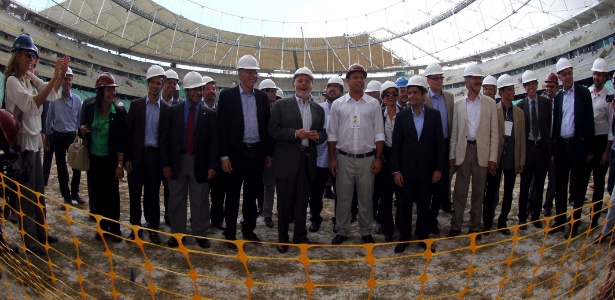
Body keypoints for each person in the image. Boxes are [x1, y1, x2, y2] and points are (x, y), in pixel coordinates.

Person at [4, 33, 66, 256]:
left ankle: (41, 231)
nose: (31, 60)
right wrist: (52, 79)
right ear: (17, 56)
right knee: (27, 195)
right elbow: (31, 105)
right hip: (21, 145)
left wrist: (58, 76)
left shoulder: (28, 78)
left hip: (33, 142)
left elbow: (53, 96)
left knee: (38, 191)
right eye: (28, 55)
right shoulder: (12, 81)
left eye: (33, 56)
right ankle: (30, 239)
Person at [268, 67, 326, 253]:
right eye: (300, 81)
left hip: (307, 160)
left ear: (311, 86)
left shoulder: (318, 109)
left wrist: (318, 137)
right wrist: (294, 133)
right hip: (286, 161)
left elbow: (324, 133)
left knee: (302, 201)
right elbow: (273, 130)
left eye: (307, 81)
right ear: (294, 85)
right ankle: (283, 238)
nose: (303, 84)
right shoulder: (281, 106)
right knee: (284, 202)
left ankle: (300, 236)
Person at [218, 55, 272, 250]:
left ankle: (248, 230)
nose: (253, 75)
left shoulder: (262, 98)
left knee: (251, 195)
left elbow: (266, 127)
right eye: (249, 72)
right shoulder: (227, 96)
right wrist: (224, 156)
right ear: (240, 74)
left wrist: (267, 153)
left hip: (255, 153)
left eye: (255, 72)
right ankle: (230, 233)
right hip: (235, 155)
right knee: (232, 195)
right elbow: (221, 129)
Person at [160, 71, 218, 249]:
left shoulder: (209, 115)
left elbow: (213, 144)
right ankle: (177, 234)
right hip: (177, 161)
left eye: (200, 89)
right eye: (194, 90)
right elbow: (164, 140)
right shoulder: (172, 112)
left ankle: (200, 233)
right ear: (186, 91)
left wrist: (212, 165)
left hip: (199, 162)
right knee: (176, 198)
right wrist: (165, 164)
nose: (199, 93)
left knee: (200, 198)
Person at [328, 64, 384, 245]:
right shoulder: (338, 104)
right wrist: (332, 158)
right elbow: (332, 134)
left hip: (367, 158)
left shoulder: (373, 104)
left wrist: (378, 157)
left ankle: (366, 231)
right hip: (344, 158)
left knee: (366, 197)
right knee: (343, 196)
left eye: (362, 77)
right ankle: (342, 230)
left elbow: (379, 133)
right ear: (348, 81)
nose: (360, 80)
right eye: (355, 77)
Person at [391, 75, 444, 253]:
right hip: (406, 172)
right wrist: (396, 170)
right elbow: (396, 146)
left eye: (415, 92)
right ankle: (404, 237)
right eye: (409, 92)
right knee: (404, 207)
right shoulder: (402, 117)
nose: (411, 96)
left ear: (423, 95)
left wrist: (438, 168)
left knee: (423, 206)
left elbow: (439, 145)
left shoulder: (434, 116)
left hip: (427, 171)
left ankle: (422, 236)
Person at [448, 64, 498, 239]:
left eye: (480, 79)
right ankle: (456, 226)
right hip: (464, 151)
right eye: (475, 78)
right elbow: (455, 131)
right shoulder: (459, 104)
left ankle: (475, 226)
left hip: (481, 153)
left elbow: (494, 133)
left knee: (478, 192)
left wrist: (492, 158)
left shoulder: (490, 104)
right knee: (460, 192)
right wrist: (452, 155)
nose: (478, 81)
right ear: (466, 81)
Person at [79, 72, 127, 243]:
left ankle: (114, 230)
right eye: (109, 90)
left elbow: (122, 140)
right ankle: (101, 229)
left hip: (111, 160)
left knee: (112, 196)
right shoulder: (90, 107)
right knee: (97, 196)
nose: (112, 93)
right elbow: (82, 129)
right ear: (100, 91)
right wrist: (83, 131)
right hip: (94, 159)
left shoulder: (120, 113)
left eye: (113, 89)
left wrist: (119, 165)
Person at [550, 57, 594, 238]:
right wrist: (553, 151)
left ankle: (574, 224)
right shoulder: (558, 97)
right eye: (564, 74)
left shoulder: (583, 93)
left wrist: (590, 149)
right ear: (559, 77)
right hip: (562, 147)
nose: (568, 77)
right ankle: (560, 221)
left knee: (577, 188)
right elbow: (556, 124)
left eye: (570, 73)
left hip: (578, 147)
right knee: (559, 187)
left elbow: (590, 121)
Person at [124, 65, 168, 245]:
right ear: (148, 84)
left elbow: (166, 139)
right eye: (153, 82)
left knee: (152, 195)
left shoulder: (166, 109)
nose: (156, 86)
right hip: (136, 157)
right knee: (135, 195)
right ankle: (135, 229)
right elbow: (128, 134)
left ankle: (153, 228)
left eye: (159, 83)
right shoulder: (136, 106)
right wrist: (127, 158)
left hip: (154, 158)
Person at [483, 74, 525, 235]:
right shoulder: (493, 110)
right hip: (496, 159)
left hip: (511, 159)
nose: (512, 92)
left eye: (513, 89)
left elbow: (521, 138)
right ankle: (487, 223)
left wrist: (521, 160)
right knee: (491, 192)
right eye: (509, 89)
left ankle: (502, 221)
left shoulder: (519, 113)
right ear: (501, 91)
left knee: (508, 193)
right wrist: (490, 159)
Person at [516, 70, 551, 229]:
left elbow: (548, 127)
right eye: (528, 84)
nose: (531, 87)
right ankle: (522, 217)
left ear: (537, 85)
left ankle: (536, 216)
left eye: (533, 83)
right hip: (528, 149)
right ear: (524, 87)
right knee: (524, 186)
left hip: (542, 150)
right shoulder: (521, 106)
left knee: (539, 184)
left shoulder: (545, 103)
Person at [308, 76, 344, 233]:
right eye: (330, 86)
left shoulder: (346, 108)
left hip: (340, 157)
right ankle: (315, 219)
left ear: (341, 92)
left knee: (341, 192)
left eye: (336, 87)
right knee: (316, 192)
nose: (332, 89)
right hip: (320, 157)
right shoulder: (317, 108)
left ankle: (339, 221)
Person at [424, 62, 455, 236]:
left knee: (441, 186)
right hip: (428, 147)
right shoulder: (424, 98)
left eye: (440, 78)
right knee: (428, 186)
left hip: (444, 144)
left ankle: (433, 219)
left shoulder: (449, 98)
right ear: (428, 80)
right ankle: (426, 218)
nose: (439, 81)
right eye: (435, 78)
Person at [46, 67, 85, 208]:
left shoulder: (77, 99)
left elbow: (80, 120)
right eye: (65, 78)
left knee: (77, 166)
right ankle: (66, 196)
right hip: (57, 135)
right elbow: (49, 119)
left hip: (71, 136)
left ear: (72, 81)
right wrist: (47, 136)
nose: (67, 81)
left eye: (69, 79)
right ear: (61, 80)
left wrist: (81, 135)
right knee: (61, 167)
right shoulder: (54, 99)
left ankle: (75, 192)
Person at [585, 58, 613, 229]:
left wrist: (606, 152)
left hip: (603, 143)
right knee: (582, 179)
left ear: (604, 76)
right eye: (594, 73)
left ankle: (594, 219)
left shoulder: (609, 97)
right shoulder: (587, 93)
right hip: (589, 142)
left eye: (599, 74)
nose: (596, 77)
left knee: (599, 182)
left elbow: (611, 126)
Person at [201, 75, 226, 232]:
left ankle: (217, 219)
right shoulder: (198, 111)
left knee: (219, 193)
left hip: (218, 160)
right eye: (208, 89)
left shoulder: (221, 112)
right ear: (202, 91)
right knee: (202, 193)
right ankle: (201, 219)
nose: (211, 91)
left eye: (213, 89)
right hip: (202, 160)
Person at [378, 81, 401, 242]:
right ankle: (387, 228)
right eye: (388, 94)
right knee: (385, 196)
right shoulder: (378, 115)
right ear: (383, 97)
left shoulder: (405, 113)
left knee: (402, 195)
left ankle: (401, 224)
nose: (391, 97)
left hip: (401, 157)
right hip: (385, 157)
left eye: (394, 93)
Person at [161, 69, 182, 225]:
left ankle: (169, 218)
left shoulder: (179, 106)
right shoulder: (154, 102)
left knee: (171, 189)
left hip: (171, 155)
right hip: (155, 153)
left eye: (175, 84)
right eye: (169, 83)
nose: (172, 86)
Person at [257, 78, 279, 228]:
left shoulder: (277, 111)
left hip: (274, 155)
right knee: (257, 186)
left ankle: (268, 214)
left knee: (270, 186)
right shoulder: (256, 111)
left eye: (274, 91)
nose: (274, 94)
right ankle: (260, 211)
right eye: (271, 91)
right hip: (258, 155)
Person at [541, 73, 559, 217]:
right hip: (541, 147)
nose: (549, 89)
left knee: (553, 180)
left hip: (555, 146)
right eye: (547, 86)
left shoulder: (560, 102)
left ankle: (548, 205)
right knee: (537, 180)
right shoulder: (541, 103)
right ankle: (531, 204)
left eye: (552, 87)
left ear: (556, 88)